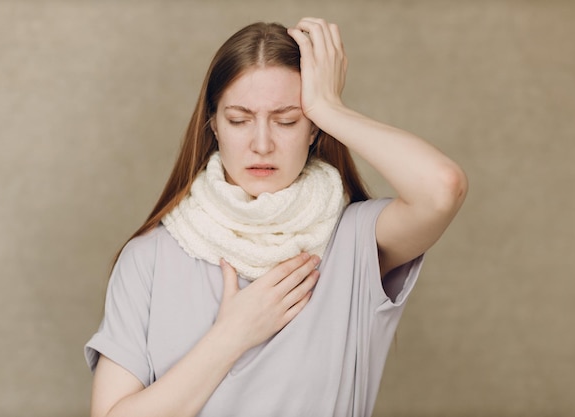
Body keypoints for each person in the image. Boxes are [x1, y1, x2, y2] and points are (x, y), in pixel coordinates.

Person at [84, 17, 467, 417]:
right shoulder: (148, 258)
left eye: (287, 120)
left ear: (315, 130)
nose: (262, 144)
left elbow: (442, 188)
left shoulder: (355, 240)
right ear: (213, 124)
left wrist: (329, 107)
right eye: (239, 120)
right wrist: (231, 337)